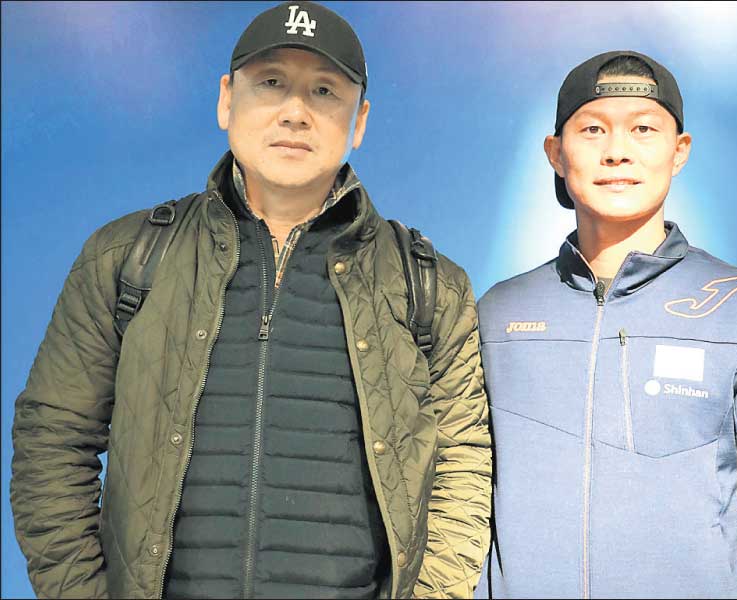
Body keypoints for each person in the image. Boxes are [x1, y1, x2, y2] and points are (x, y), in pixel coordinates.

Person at [10, 2, 491, 598]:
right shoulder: (126, 259)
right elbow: (52, 442)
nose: (295, 112)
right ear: (225, 100)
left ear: (359, 121)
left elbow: (463, 469)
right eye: (270, 83)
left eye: (323, 90)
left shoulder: (430, 287)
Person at [475, 50, 737, 599]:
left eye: (643, 129)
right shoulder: (496, 315)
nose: (617, 151)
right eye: (592, 129)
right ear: (555, 153)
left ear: (680, 151)